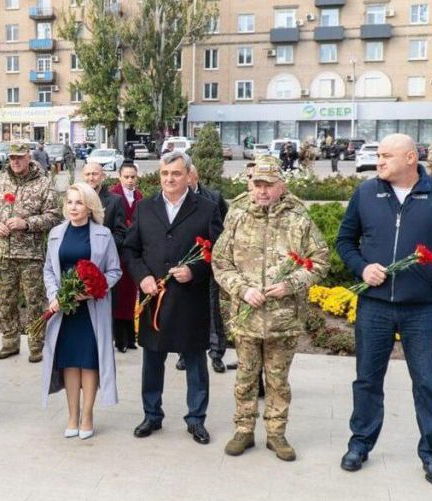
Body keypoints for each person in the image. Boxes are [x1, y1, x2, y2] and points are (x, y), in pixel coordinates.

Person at [335, 133, 432, 486]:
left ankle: (431, 455)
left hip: (422, 310)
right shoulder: (366, 192)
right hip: (375, 307)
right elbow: (344, 241)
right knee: (367, 380)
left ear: (411, 158)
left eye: (386, 155)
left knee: (427, 383)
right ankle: (360, 444)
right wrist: (363, 267)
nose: (378, 161)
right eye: (378, 155)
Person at [212, 155, 329, 461]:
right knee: (246, 378)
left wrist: (291, 284)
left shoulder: (299, 220)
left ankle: (276, 435)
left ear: (281, 186)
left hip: (283, 319)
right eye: (257, 184)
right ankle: (244, 431)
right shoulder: (237, 217)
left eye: (269, 185)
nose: (262, 190)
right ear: (250, 185)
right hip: (246, 316)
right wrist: (243, 289)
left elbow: (320, 261)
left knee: (278, 380)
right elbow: (220, 262)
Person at [124, 150, 223, 444]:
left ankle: (196, 419)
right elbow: (131, 250)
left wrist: (195, 270)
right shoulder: (144, 208)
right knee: (152, 360)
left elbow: (218, 253)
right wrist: (142, 277)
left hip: (190, 301)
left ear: (188, 175)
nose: (170, 179)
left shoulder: (206, 208)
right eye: (165, 174)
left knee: (194, 361)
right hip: (155, 298)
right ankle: (152, 415)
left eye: (176, 174)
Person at [41, 183, 121, 439]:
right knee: (69, 363)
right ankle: (72, 415)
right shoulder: (56, 233)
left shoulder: (102, 234)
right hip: (64, 310)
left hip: (91, 309)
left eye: (78, 202)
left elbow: (114, 271)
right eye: (69, 202)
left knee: (88, 361)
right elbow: (49, 270)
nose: (73, 207)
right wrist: (55, 296)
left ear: (89, 206)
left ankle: (87, 415)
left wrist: (93, 289)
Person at [0, 142, 61, 363]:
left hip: (31, 255)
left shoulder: (43, 184)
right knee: (6, 301)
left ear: (29, 156)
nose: (15, 162)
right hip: (2, 252)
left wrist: (26, 223)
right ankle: (9, 343)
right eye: (11, 158)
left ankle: (37, 346)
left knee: (34, 302)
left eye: (19, 157)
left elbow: (54, 216)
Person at [175, 165, 232, 373]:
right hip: (184, 266)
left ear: (194, 176)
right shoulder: (175, 199)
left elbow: (224, 230)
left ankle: (216, 354)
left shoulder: (213, 198)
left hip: (208, 265)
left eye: (184, 175)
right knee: (184, 310)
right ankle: (183, 353)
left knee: (212, 310)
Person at [110, 162, 142, 353]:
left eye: (133, 177)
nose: (130, 181)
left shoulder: (139, 197)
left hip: (133, 251)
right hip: (118, 251)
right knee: (119, 295)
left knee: (131, 294)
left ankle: (131, 338)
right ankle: (119, 339)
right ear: (120, 177)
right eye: (127, 177)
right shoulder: (114, 196)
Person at [80, 163, 127, 246]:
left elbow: (121, 234)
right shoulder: (76, 200)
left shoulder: (115, 201)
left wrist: (102, 246)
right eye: (87, 174)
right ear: (83, 177)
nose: (91, 178)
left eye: (95, 174)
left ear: (103, 176)